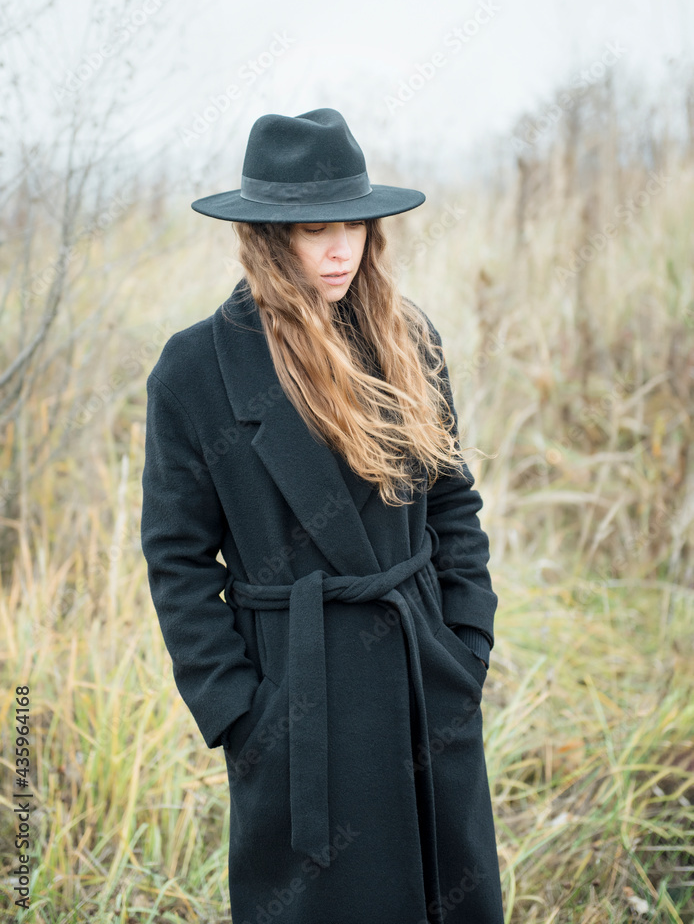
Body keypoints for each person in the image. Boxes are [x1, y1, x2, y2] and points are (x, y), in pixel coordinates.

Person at [140, 107, 504, 923]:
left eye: (355, 224)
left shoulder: (409, 339)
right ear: (269, 237)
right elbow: (176, 558)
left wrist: (466, 640)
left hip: (421, 669)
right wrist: (240, 710)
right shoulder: (198, 369)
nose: (342, 248)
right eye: (314, 229)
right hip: (298, 699)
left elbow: (452, 498)